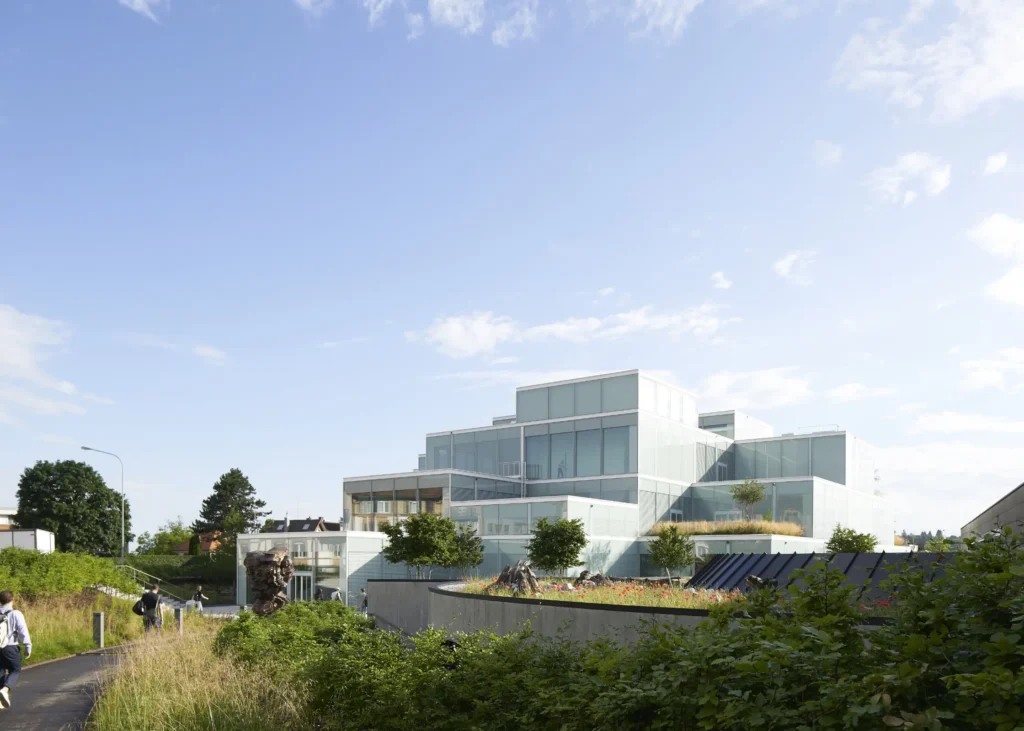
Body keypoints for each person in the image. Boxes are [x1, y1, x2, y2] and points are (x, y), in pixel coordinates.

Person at [0, 589, 31, 711]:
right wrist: (27, 646)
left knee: (1, 671)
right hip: (10, 647)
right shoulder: (16, 614)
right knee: (15, 669)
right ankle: (5, 689)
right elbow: (23, 631)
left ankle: (0, 701)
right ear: (12, 599)